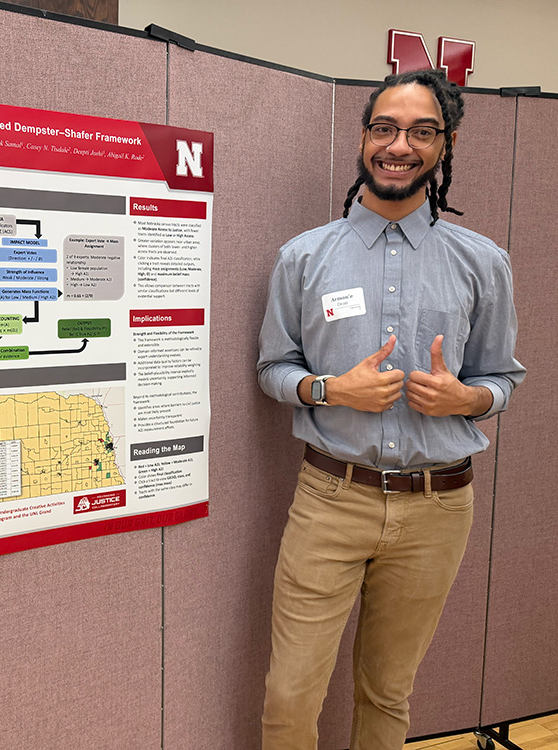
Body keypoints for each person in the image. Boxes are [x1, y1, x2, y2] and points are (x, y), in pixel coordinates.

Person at [257, 69, 525, 750]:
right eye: (385, 128)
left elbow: (502, 377)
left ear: (445, 145)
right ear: (363, 138)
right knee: (290, 696)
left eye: (421, 131)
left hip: (438, 510)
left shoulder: (483, 262)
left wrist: (469, 399)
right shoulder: (304, 258)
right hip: (331, 500)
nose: (399, 145)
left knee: (388, 692)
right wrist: (329, 390)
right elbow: (273, 369)